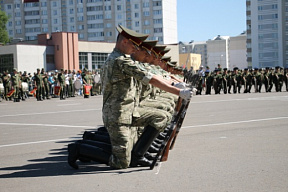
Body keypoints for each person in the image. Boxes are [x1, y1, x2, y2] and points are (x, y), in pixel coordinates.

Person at [67, 25, 192, 170]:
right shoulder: (120, 61)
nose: (135, 49)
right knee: (122, 162)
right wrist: (178, 92)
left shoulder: (121, 59)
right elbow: (150, 78)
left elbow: (155, 76)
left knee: (159, 118)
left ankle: (138, 154)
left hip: (130, 111)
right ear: (124, 42)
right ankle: (79, 149)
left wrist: (176, 85)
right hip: (118, 114)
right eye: (133, 45)